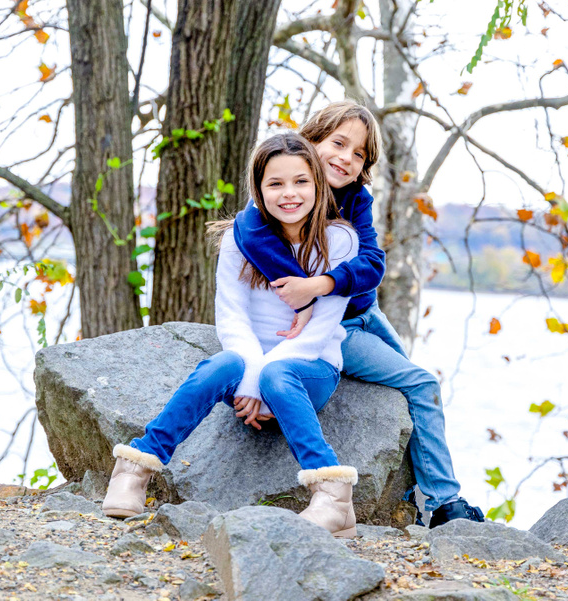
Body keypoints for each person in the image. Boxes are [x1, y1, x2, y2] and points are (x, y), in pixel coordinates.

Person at [232, 101, 484, 528]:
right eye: (338, 143)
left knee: (409, 386)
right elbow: (246, 227)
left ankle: (414, 492)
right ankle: (445, 503)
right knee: (421, 384)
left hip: (368, 311)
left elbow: (373, 265)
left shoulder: (356, 199)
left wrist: (318, 286)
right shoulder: (291, 196)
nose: (346, 158)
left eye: (359, 154)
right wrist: (306, 294)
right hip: (339, 329)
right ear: (310, 140)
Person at [102, 133, 361, 538]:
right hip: (246, 370)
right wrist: (251, 378)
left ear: (319, 185)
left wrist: (262, 382)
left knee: (279, 377)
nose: (288, 194)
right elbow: (232, 316)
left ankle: (333, 498)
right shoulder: (239, 240)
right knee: (221, 364)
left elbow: (320, 329)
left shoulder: (341, 241)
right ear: (258, 190)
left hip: (310, 369)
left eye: (301, 182)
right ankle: (136, 467)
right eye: (275, 184)